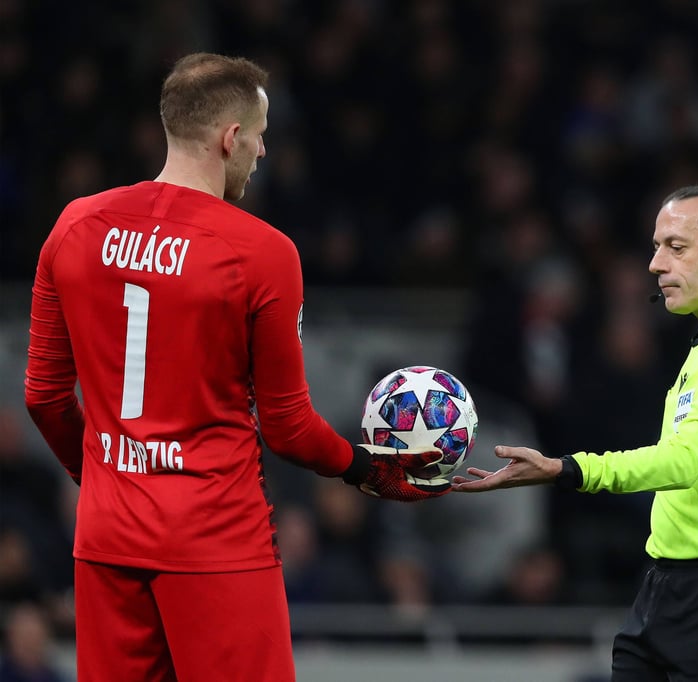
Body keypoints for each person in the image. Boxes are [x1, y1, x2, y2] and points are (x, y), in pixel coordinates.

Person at [23, 52, 449, 682]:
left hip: (107, 536)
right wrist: (373, 473)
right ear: (230, 138)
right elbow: (288, 427)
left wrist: (108, 482)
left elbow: (44, 398)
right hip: (216, 538)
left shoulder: (75, 225)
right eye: (260, 135)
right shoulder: (262, 253)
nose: (263, 151)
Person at [454, 183, 698, 681]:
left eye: (676, 247)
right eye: (656, 246)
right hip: (667, 582)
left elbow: (685, 460)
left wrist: (566, 469)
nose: (655, 264)